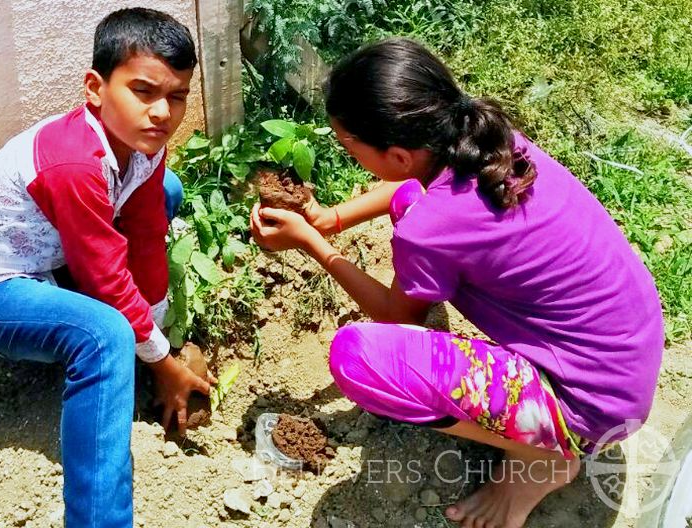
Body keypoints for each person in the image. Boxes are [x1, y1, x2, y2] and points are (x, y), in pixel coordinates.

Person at [250, 38, 664, 528]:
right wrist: (333, 219)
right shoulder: (492, 142)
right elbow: (413, 189)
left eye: (349, 144)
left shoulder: (429, 230)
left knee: (355, 358)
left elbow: (397, 315)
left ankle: (548, 457)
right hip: (626, 355)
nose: (347, 151)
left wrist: (312, 245)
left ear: (399, 155)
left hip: (589, 408)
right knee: (413, 211)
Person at [0, 8, 211, 527]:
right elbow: (105, 275)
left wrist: (161, 334)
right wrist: (162, 362)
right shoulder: (75, 161)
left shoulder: (144, 145)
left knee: (164, 193)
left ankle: (132, 351)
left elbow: (144, 237)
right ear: (95, 89)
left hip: (45, 259)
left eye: (178, 95)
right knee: (104, 336)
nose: (163, 113)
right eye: (143, 92)